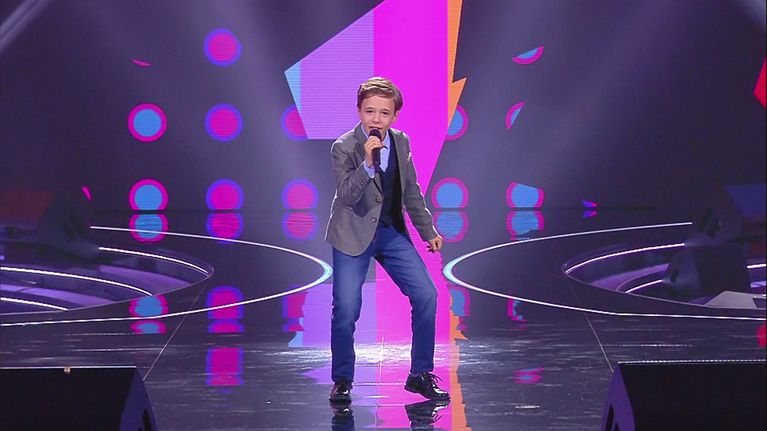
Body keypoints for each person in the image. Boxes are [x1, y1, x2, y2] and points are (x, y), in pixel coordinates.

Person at [325, 77, 450, 404]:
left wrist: (428, 231)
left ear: (394, 116)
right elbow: (347, 195)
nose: (376, 120)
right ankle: (342, 380)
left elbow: (411, 192)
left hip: (390, 232)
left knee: (426, 295)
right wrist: (367, 164)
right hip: (352, 234)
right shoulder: (344, 146)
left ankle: (420, 374)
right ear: (359, 111)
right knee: (346, 308)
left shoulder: (401, 142)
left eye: (384, 113)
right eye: (370, 112)